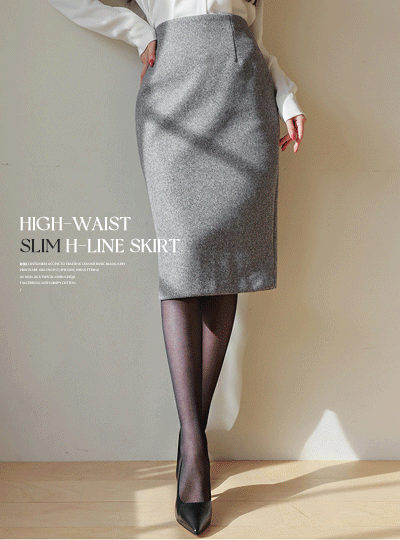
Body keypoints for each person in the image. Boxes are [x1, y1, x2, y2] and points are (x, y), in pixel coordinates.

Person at [47, 0, 307, 535]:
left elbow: (255, 34)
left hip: (243, 95)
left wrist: (285, 93)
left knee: (226, 267)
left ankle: (192, 445)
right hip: (172, 96)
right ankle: (196, 442)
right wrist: (135, 29)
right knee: (182, 267)